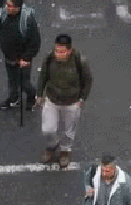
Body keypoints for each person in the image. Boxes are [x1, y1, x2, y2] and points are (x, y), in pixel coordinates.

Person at [36, 34, 92, 169]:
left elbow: (88, 81)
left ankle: (65, 151)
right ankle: (53, 145)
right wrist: (39, 95)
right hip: (52, 99)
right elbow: (43, 76)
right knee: (48, 129)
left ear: (70, 50)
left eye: (61, 51)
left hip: (72, 103)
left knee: (69, 131)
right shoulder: (49, 59)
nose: (58, 54)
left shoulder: (80, 61)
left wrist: (82, 99)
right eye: (56, 50)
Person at [0, 0, 42, 110]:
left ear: (18, 7)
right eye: (7, 5)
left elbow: (35, 43)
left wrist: (26, 58)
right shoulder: (4, 15)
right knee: (12, 80)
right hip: (9, 56)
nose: (8, 8)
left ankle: (32, 96)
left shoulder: (27, 21)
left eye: (11, 6)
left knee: (23, 82)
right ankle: (13, 99)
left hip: (23, 58)